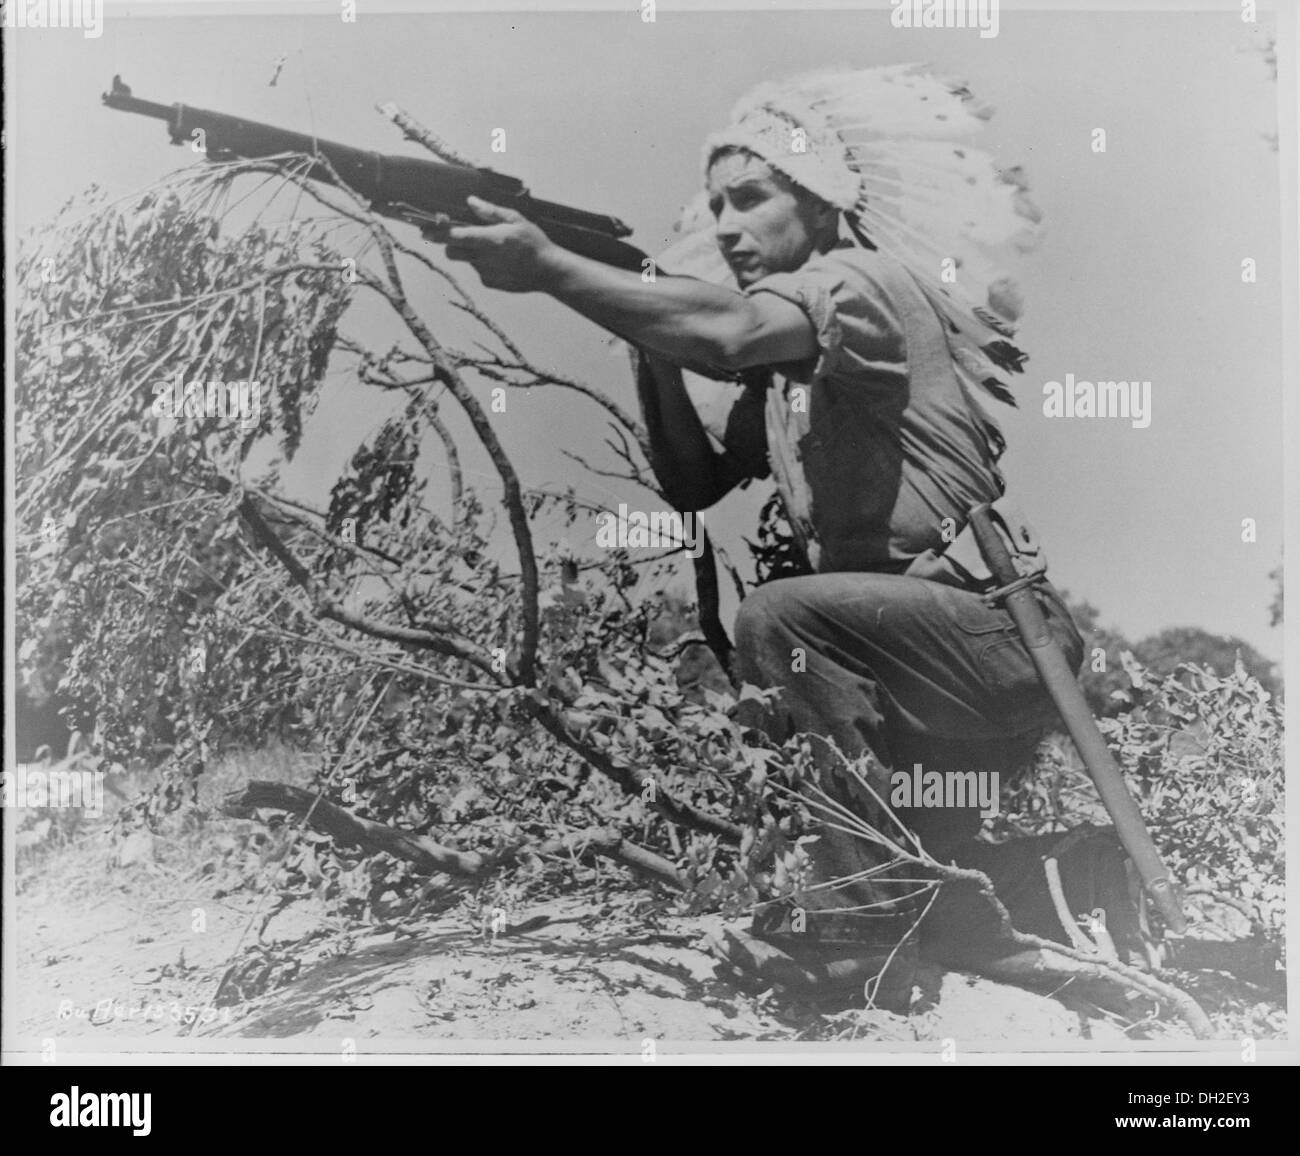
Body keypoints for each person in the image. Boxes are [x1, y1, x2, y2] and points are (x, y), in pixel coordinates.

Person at [438, 67, 1143, 1000]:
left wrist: (554, 270)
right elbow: (694, 479)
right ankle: (1067, 880)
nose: (726, 226)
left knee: (778, 618)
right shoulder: (790, 378)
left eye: (752, 198)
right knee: (944, 885)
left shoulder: (865, 284)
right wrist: (653, 337)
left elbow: (728, 336)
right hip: (909, 661)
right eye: (715, 206)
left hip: (991, 637)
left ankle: (864, 933)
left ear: (821, 203)